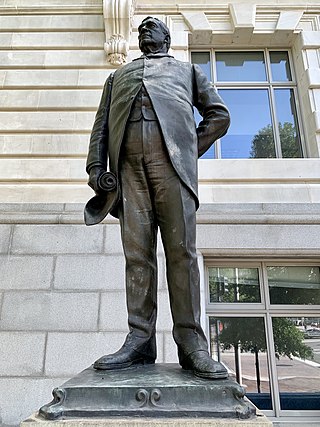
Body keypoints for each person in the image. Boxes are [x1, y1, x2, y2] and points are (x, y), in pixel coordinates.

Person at [85, 16, 230, 379]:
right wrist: (94, 169)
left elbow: (219, 115)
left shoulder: (187, 70)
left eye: (154, 27)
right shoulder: (118, 76)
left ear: (166, 38)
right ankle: (139, 339)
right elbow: (101, 127)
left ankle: (192, 343)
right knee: (137, 256)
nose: (146, 29)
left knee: (181, 253)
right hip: (127, 172)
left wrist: (186, 148)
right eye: (142, 28)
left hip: (173, 172)